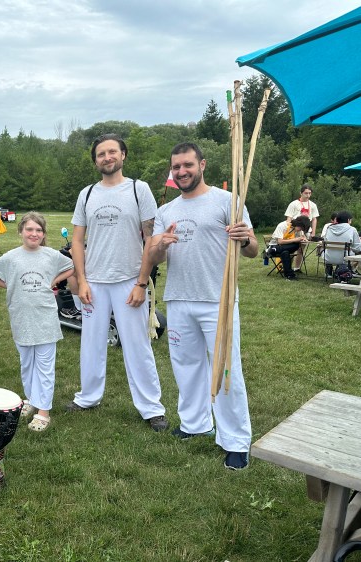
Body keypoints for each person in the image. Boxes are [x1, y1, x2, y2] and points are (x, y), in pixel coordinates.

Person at [142, 142, 258, 470]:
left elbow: (252, 249)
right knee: (186, 365)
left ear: (202, 165)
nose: (181, 171)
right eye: (176, 167)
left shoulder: (228, 201)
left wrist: (244, 238)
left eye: (187, 165)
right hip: (179, 298)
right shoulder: (166, 211)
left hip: (218, 299)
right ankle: (195, 424)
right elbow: (153, 256)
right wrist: (161, 246)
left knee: (225, 369)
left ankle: (235, 441)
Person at [66, 133, 168, 433]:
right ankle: (88, 397)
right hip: (94, 283)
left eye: (112, 152)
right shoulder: (87, 194)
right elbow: (77, 240)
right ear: (95, 161)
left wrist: (141, 282)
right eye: (101, 154)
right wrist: (82, 280)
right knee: (91, 344)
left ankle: (151, 408)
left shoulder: (139, 189)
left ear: (123, 155)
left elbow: (151, 238)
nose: (107, 157)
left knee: (137, 345)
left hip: (129, 281)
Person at [0, 212, 74, 432]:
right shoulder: (11, 257)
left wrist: (54, 280)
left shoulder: (51, 255)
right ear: (21, 232)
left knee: (44, 365)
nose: (34, 234)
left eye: (38, 230)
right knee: (26, 363)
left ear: (43, 234)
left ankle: (43, 411)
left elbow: (71, 266)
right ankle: (32, 399)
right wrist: (11, 285)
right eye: (29, 229)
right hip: (21, 318)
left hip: (45, 318)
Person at [284, 184, 319, 269]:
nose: (308, 195)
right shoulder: (294, 204)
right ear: (301, 193)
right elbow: (289, 218)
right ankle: (288, 268)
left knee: (301, 249)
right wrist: (288, 231)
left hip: (306, 230)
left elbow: (314, 219)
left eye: (309, 193)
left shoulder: (313, 205)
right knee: (291, 248)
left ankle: (297, 268)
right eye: (306, 193)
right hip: (295, 229)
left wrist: (313, 233)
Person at [267, 214, 311, 281]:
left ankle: (273, 250)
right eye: (301, 228)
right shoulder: (282, 226)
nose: (301, 230)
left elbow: (302, 237)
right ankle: (290, 275)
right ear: (298, 224)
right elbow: (280, 241)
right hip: (276, 245)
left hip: (282, 248)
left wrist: (304, 239)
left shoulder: (297, 229)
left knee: (295, 245)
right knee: (286, 252)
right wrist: (295, 240)